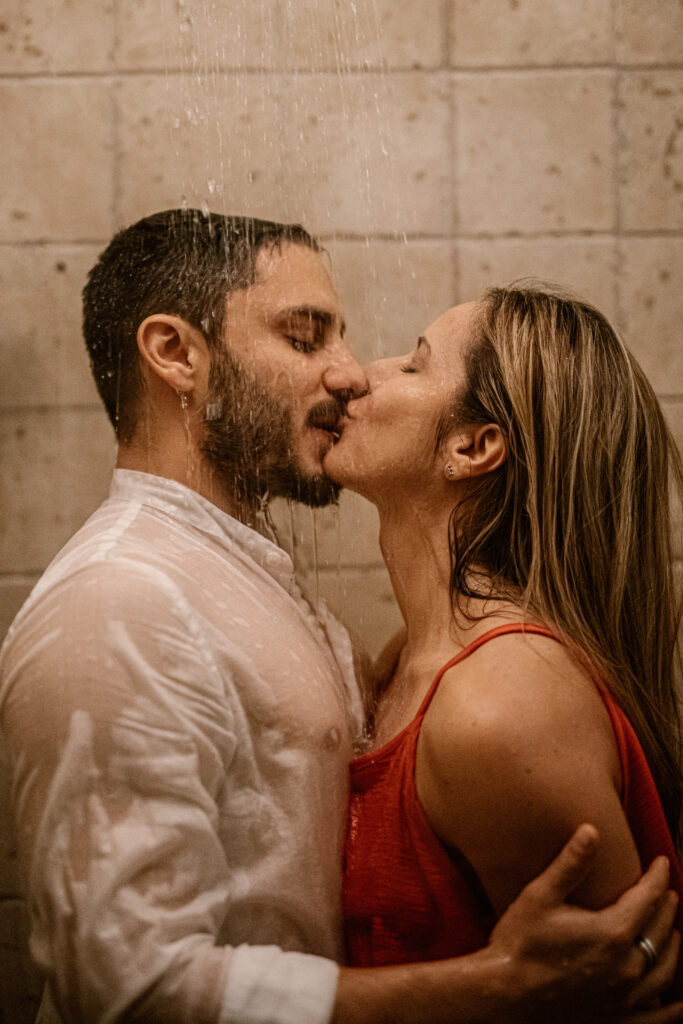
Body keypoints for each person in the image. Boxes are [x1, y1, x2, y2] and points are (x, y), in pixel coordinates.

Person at [0, 211, 680, 1024]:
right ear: (176, 354)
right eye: (304, 337)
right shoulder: (118, 600)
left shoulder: (362, 638)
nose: (351, 373)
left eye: (354, 343)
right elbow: (123, 988)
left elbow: (619, 985)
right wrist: (490, 988)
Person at [329, 287, 683, 999]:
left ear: (472, 447)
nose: (359, 375)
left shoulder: (496, 710)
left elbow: (632, 1004)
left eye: (413, 365)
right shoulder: (409, 659)